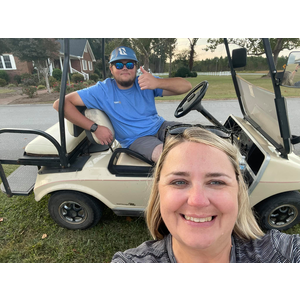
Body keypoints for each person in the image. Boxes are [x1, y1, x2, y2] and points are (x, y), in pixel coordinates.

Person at [112, 127, 300, 263]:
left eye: (216, 182)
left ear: (238, 192)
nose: (197, 201)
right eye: (179, 182)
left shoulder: (282, 253)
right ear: (158, 192)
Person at [53, 46, 192, 163]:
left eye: (130, 64)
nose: (125, 68)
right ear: (111, 68)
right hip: (137, 139)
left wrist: (158, 83)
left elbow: (186, 86)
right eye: (119, 65)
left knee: (201, 137)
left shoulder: (145, 82)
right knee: (173, 157)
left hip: (161, 126)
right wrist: (94, 127)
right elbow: (60, 104)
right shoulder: (102, 90)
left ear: (136, 67)